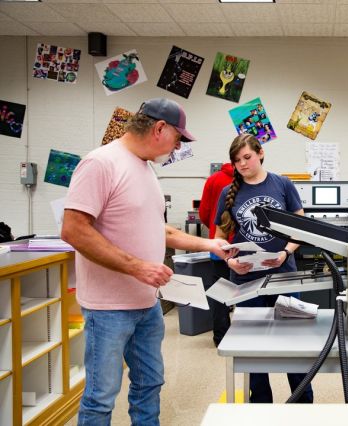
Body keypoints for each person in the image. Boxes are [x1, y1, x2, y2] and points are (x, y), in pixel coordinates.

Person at [61, 98, 234, 425]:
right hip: (108, 309)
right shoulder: (101, 163)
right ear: (159, 129)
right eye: (178, 138)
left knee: (150, 383)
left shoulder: (145, 168)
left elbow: (160, 229)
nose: (178, 146)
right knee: (101, 396)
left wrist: (210, 243)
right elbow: (73, 230)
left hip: (146, 305)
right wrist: (137, 266)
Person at [214, 133, 313, 404]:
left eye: (247, 157)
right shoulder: (228, 192)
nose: (242, 164)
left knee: (294, 344)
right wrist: (229, 260)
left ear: (260, 153)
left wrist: (284, 253)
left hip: (284, 276)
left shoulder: (282, 184)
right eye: (237, 161)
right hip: (246, 281)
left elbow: (300, 228)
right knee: (254, 350)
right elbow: (220, 236)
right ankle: (260, 406)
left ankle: (303, 404)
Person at [199, 162, 234, 347]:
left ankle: (221, 337)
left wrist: (214, 230)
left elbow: (204, 212)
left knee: (220, 294)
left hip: (220, 247)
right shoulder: (252, 180)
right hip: (245, 250)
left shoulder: (213, 179)